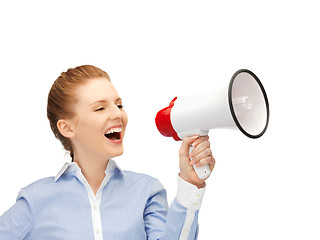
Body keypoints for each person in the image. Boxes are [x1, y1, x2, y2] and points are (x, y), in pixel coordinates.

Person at [0, 65, 215, 240]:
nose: (118, 114)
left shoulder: (147, 192)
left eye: (119, 105)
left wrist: (190, 183)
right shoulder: (35, 199)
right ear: (67, 128)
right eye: (100, 108)